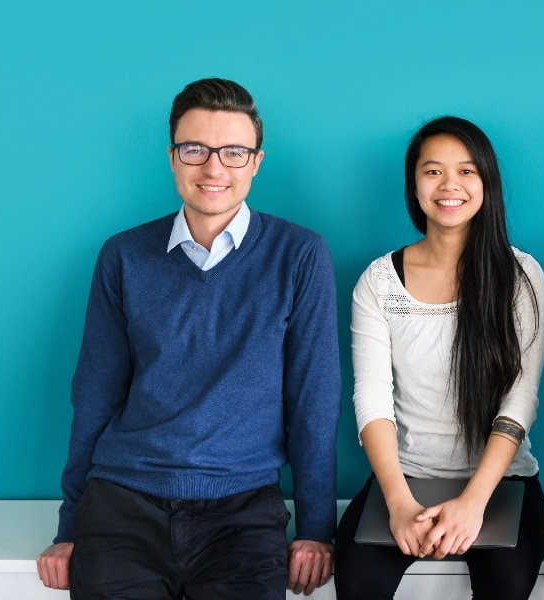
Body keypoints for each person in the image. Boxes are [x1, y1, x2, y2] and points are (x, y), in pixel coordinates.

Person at [35, 77, 341, 598]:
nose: (214, 168)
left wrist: (314, 529)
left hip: (242, 509)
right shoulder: (123, 256)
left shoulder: (300, 256)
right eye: (195, 149)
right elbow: (93, 395)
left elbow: (314, 402)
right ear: (173, 157)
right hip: (123, 502)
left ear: (256, 162)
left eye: (233, 152)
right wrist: (69, 527)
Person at [333, 116, 544, 599]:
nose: (450, 185)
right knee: (357, 584)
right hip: (404, 481)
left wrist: (473, 503)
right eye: (433, 171)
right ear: (414, 185)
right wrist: (398, 502)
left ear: (486, 182)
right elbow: (371, 399)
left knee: (507, 588)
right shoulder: (378, 281)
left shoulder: (521, 275)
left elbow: (521, 398)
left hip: (502, 485)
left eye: (467, 171)